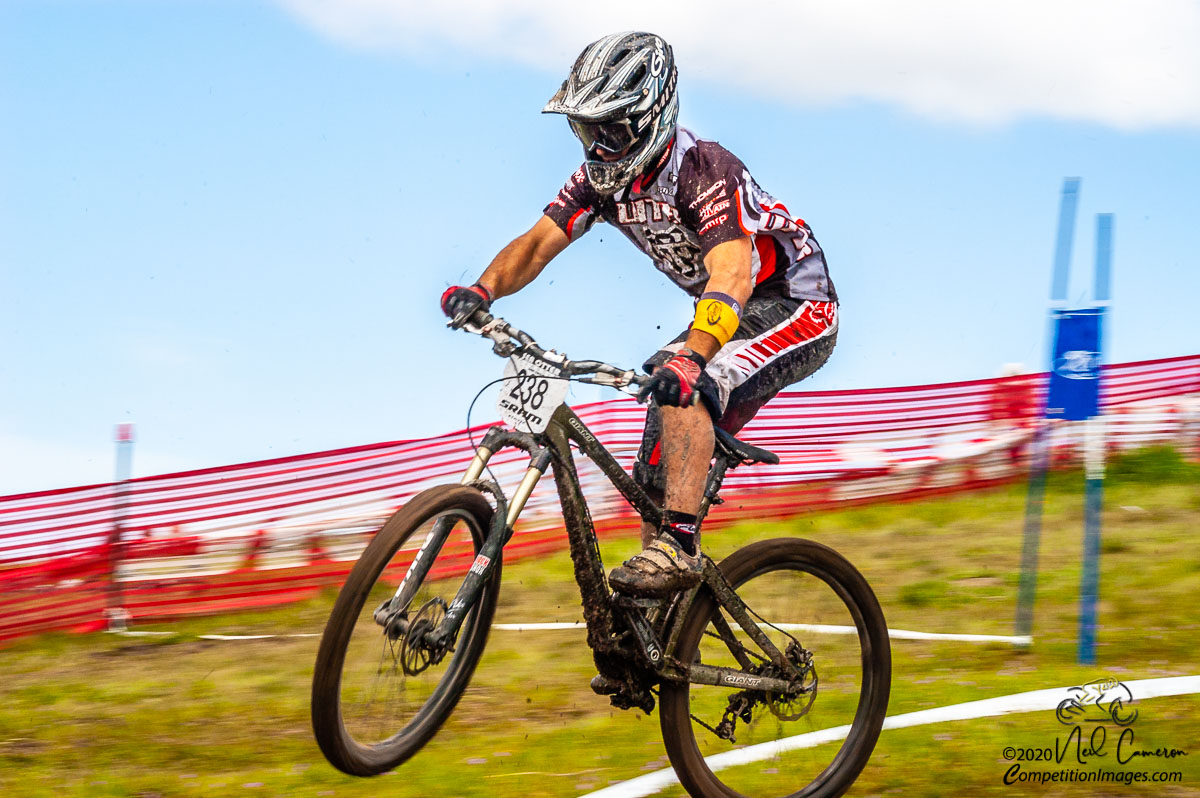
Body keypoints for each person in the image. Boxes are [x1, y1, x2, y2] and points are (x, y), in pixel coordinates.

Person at [441, 31, 838, 599]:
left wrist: (696, 358)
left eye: (611, 131)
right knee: (660, 404)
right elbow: (534, 246)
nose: (598, 148)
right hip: (729, 311)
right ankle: (664, 621)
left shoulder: (702, 169)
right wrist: (481, 291)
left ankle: (677, 545)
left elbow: (732, 276)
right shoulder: (597, 183)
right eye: (587, 131)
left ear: (652, 116)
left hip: (794, 303)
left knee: (690, 376)